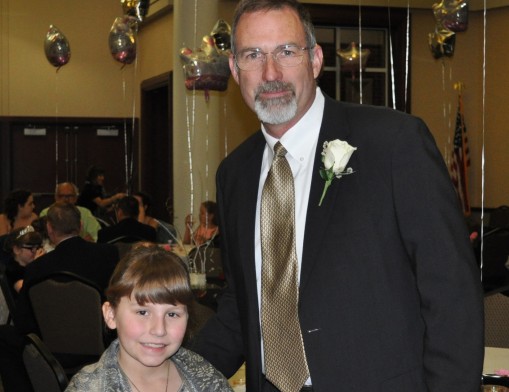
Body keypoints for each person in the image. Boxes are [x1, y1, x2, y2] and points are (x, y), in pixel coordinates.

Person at [190, 1, 484, 391]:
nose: (270, 72)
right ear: (234, 69)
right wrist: (171, 372)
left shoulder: (393, 144)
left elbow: (452, 296)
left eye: (286, 51)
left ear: (315, 60)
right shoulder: (235, 175)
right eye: (253, 55)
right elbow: (243, 306)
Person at [65, 245, 233, 392]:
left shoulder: (206, 379)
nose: (159, 330)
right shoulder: (89, 387)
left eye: (172, 314)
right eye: (143, 312)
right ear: (111, 315)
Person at [0, 202, 120, 392]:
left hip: (52, 351)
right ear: (80, 226)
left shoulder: (36, 268)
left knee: (5, 335)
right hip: (102, 344)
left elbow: (23, 321)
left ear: (49, 229)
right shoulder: (109, 255)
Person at [1, 225, 44, 298]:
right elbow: (29, 293)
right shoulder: (12, 272)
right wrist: (35, 266)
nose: (36, 251)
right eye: (31, 248)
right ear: (16, 250)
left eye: (37, 247)